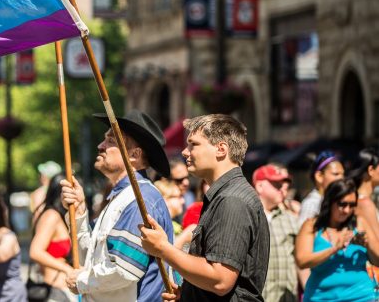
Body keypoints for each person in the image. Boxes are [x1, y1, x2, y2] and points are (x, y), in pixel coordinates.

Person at [139, 114, 270, 301]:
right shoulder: (224, 196)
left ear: (221, 149)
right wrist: (189, 294)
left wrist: (162, 248)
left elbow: (220, 280)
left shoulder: (232, 199)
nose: (185, 152)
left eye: (193, 144)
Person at [60, 110, 174, 301]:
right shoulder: (121, 197)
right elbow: (91, 259)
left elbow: (124, 270)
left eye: (111, 141)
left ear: (134, 155)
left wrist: (82, 280)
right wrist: (79, 212)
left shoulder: (140, 199)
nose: (100, 146)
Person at [295, 178, 379, 301]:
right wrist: (334, 248)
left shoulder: (360, 222)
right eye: (342, 204)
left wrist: (367, 245)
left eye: (352, 205)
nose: (347, 210)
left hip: (361, 296)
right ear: (329, 202)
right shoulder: (312, 225)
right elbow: (302, 261)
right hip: (320, 297)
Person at [253, 164, 299, 302]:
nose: (282, 188)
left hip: (287, 297)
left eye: (283, 184)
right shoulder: (247, 217)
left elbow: (299, 262)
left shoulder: (291, 219)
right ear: (260, 186)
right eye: (276, 184)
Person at [29, 173, 74, 302]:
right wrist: (67, 269)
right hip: (54, 290)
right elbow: (35, 251)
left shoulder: (61, 216)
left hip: (65, 290)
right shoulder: (51, 215)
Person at [298, 151, 345, 227]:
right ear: (319, 176)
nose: (341, 178)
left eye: (343, 174)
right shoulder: (311, 204)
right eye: (336, 174)